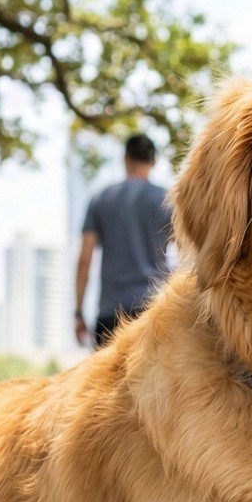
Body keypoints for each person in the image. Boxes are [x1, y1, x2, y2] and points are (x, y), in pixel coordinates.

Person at [74, 133, 173, 347]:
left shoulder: (101, 199)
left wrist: (79, 312)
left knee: (107, 381)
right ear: (154, 161)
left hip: (111, 313)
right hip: (155, 312)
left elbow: (85, 261)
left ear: (125, 158)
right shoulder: (168, 201)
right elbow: (188, 252)